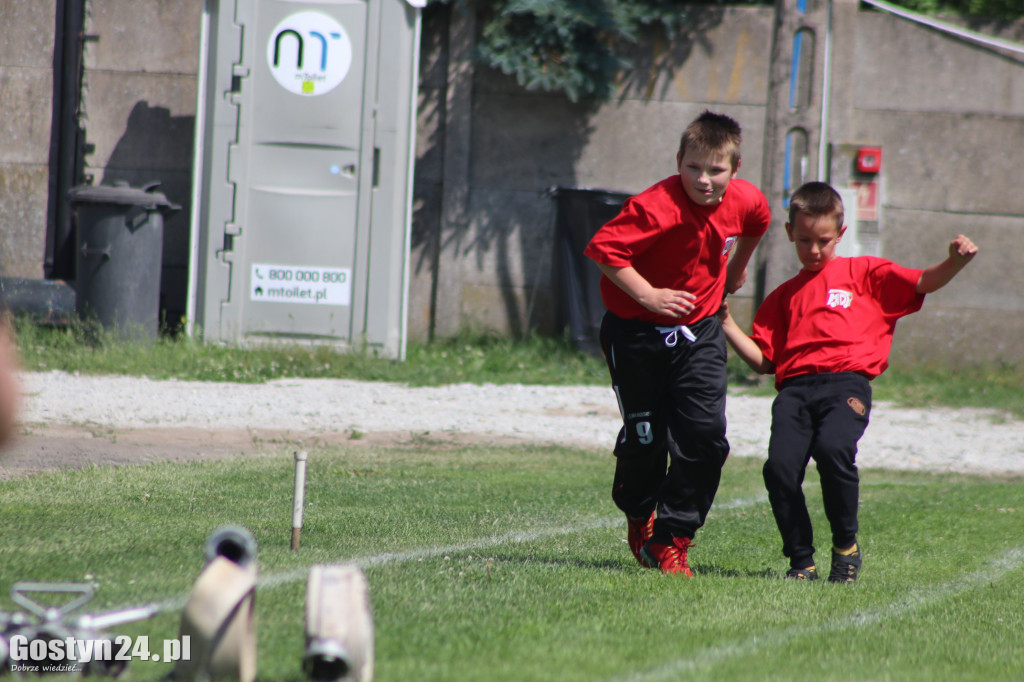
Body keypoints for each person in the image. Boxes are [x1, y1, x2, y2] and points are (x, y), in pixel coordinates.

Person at [719, 181, 978, 582]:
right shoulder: (783, 296)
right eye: (804, 240)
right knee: (779, 469)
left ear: (840, 234)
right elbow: (764, 361)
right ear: (789, 233)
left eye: (823, 240)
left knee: (833, 448)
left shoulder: (865, 273)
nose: (814, 249)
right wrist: (725, 322)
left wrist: (954, 263)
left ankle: (845, 546)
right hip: (795, 392)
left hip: (845, 386)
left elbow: (923, 281)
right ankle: (801, 561)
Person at [583, 110, 771, 576]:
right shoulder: (655, 206)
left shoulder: (747, 200)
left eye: (716, 169)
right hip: (635, 335)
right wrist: (649, 295)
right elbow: (604, 250)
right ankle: (637, 508)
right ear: (678, 161)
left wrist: (736, 270)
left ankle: (671, 540)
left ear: (736, 168)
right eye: (693, 167)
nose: (704, 179)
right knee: (647, 440)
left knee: (705, 437)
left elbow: (757, 222)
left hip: (699, 331)